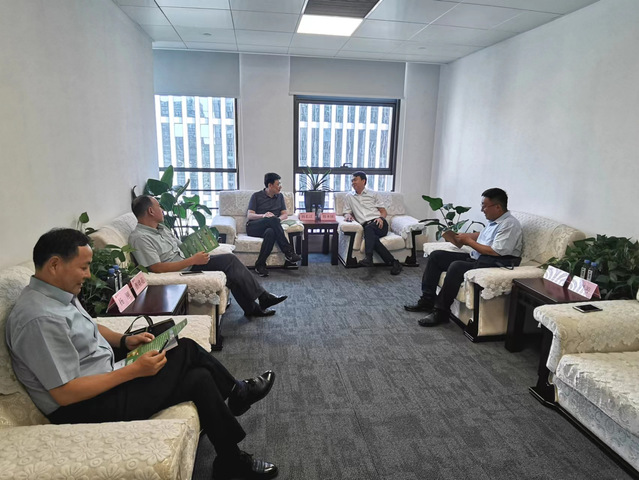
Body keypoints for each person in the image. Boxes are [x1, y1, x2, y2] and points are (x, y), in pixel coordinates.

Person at [5, 228, 279, 480]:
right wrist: (132, 371)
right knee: (184, 349)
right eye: (84, 267)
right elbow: (65, 393)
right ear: (55, 265)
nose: (88, 275)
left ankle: (230, 459)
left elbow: (91, 326)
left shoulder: (59, 295)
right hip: (83, 407)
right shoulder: (39, 319)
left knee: (199, 377)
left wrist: (125, 341)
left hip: (105, 379)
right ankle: (238, 392)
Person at [129, 195, 286, 317]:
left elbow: (181, 245)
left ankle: (252, 308)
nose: (162, 209)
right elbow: (156, 268)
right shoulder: (140, 238)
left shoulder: (162, 228)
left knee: (231, 272)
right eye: (159, 206)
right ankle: (262, 297)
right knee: (229, 260)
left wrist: (199, 243)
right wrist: (192, 260)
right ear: (151, 211)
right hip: (181, 270)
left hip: (188, 261)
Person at [405, 188, 523, 327]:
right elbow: (484, 236)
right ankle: (427, 300)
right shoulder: (495, 221)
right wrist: (462, 236)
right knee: (437, 256)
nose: (482, 209)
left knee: (457, 266)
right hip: (481, 257)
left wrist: (469, 242)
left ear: (497, 207)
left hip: (497, 261)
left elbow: (495, 252)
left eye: (484, 206)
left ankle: (441, 312)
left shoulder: (509, 224)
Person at [343, 171, 403, 275]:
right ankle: (394, 262)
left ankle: (368, 258)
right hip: (367, 226)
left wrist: (381, 218)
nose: (353, 183)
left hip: (379, 224)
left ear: (363, 181)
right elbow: (346, 212)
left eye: (355, 180)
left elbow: (383, 211)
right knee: (372, 237)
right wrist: (347, 215)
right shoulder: (349, 196)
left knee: (369, 229)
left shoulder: (373, 194)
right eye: (352, 181)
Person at [246, 173, 301, 277]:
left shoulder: (280, 196)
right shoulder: (256, 196)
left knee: (271, 232)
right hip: (254, 226)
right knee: (271, 220)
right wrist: (264, 216)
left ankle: (260, 265)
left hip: (270, 227)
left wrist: (276, 220)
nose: (280, 186)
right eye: (278, 184)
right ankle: (288, 252)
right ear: (270, 185)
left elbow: (285, 214)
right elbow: (250, 215)